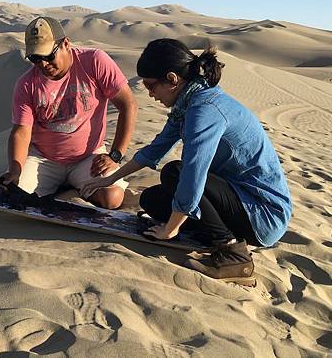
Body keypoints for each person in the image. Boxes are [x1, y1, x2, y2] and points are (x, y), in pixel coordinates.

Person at [83, 39, 291, 285]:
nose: (149, 93)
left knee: (175, 172)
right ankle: (209, 232)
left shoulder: (204, 111)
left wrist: (170, 229)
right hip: (235, 199)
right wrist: (110, 179)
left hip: (262, 214)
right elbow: (154, 150)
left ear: (172, 79)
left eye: (151, 85)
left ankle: (232, 253)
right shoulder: (187, 105)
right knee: (153, 200)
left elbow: (193, 173)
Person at [0, 17, 138, 209]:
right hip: (44, 159)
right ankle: (63, 187)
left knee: (112, 198)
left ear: (65, 43)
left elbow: (128, 104)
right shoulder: (26, 83)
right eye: (35, 58)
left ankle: (70, 188)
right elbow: (21, 131)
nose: (43, 64)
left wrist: (115, 155)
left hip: (88, 157)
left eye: (48, 56)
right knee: (15, 195)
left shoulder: (94, 62)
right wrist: (15, 170)